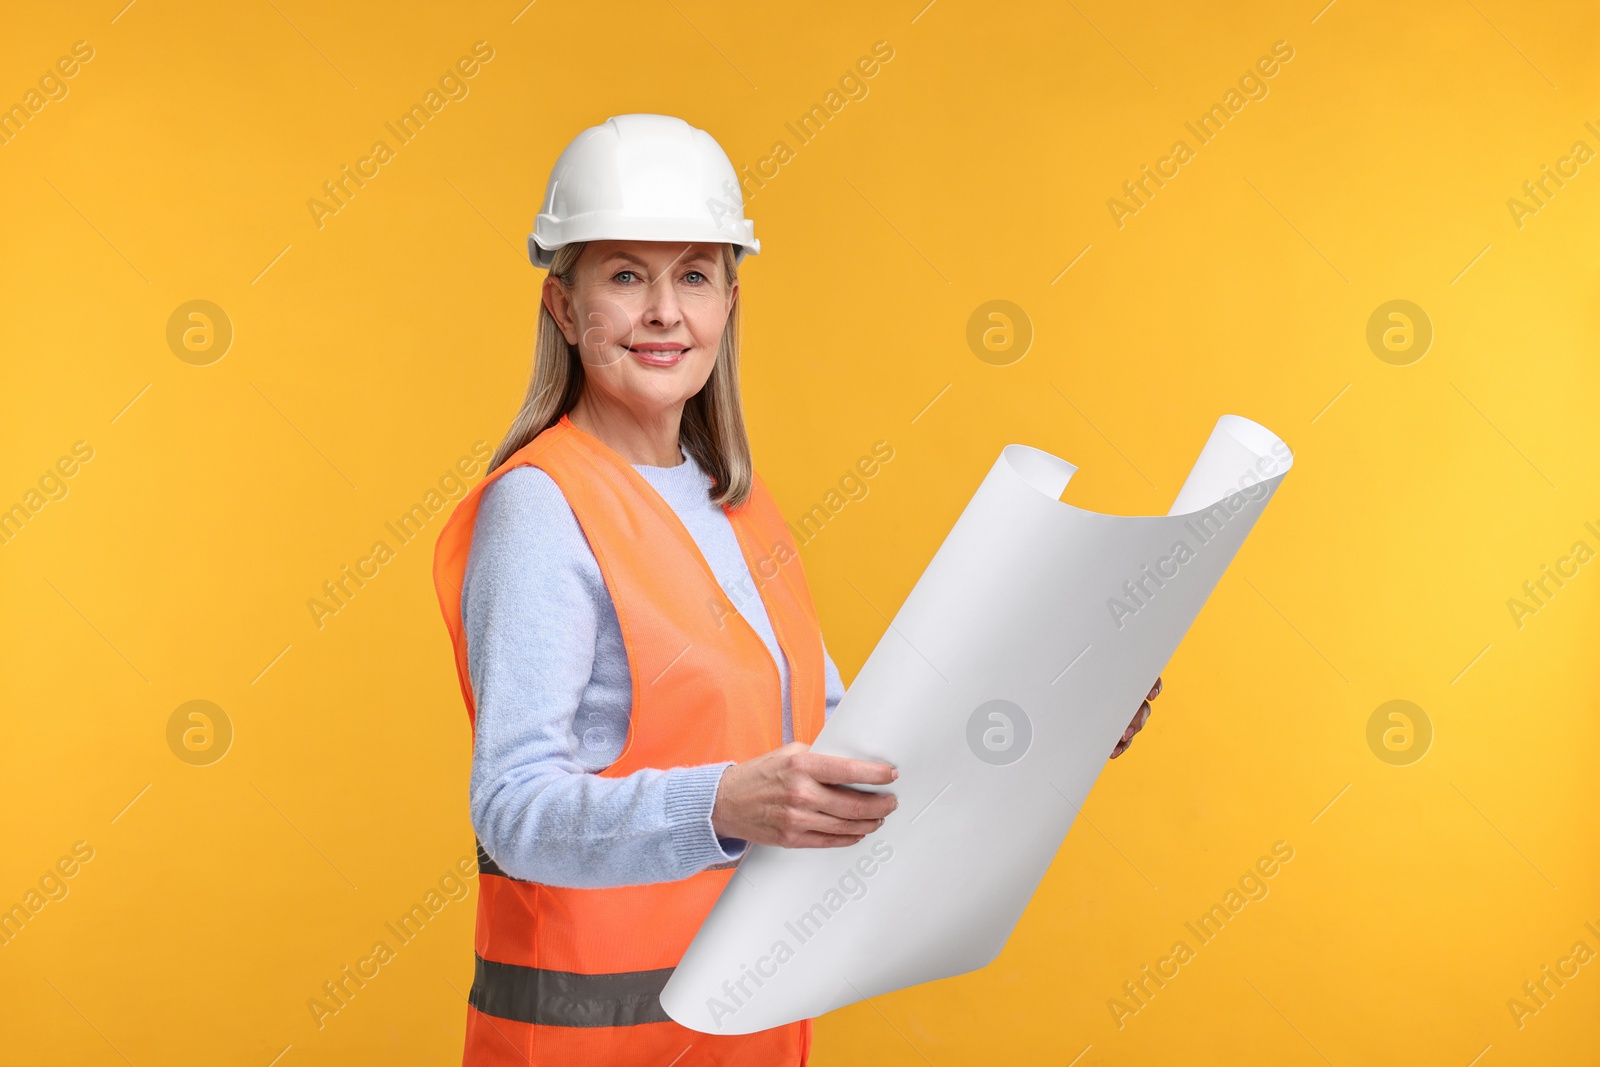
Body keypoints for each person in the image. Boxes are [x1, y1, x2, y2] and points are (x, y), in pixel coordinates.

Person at [431, 114, 1159, 1067]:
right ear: (565, 309)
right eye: (623, 274)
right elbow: (514, 811)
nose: (664, 311)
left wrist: (1051, 721)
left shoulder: (734, 503)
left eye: (694, 274)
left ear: (731, 299)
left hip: (750, 1032)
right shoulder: (542, 506)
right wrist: (723, 804)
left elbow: (849, 752)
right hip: (591, 1050)